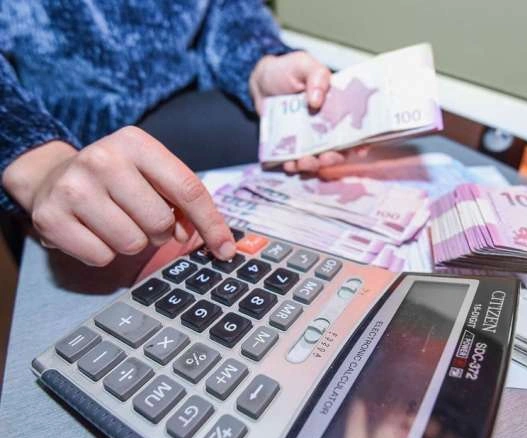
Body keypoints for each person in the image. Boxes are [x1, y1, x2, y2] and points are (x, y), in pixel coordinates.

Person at [0, 0, 352, 267]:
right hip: (66, 139)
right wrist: (36, 158)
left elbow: (225, 7)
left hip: (193, 96)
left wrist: (258, 60)